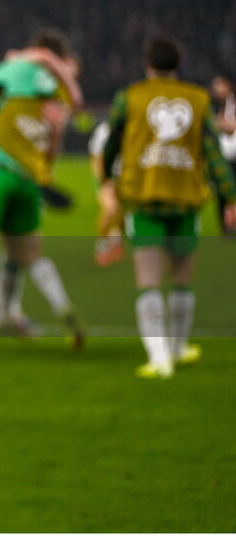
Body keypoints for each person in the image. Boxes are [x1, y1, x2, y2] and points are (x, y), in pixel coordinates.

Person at [100, 38, 236, 379]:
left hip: (144, 197)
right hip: (186, 200)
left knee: (148, 280)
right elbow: (214, 153)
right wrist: (230, 196)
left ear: (148, 63)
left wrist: (106, 176)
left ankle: (160, 360)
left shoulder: (129, 98)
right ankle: (178, 349)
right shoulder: (199, 99)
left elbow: (112, 141)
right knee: (182, 279)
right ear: (180, 63)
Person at [0, 31, 85, 360]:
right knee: (29, 254)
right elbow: (53, 144)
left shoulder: (21, 71)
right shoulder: (55, 96)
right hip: (27, 179)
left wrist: (15, 60)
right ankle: (63, 311)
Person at [88, 120, 125, 266]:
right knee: (110, 210)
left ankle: (115, 239)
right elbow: (96, 156)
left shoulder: (135, 126)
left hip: (126, 179)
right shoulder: (104, 129)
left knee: (125, 214)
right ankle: (102, 246)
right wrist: (103, 179)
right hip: (107, 178)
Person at [210, 75, 236, 235]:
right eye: (215, 86)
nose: (217, 89)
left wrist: (214, 122)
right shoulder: (217, 105)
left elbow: (231, 127)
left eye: (220, 85)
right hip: (223, 155)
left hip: (234, 155)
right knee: (222, 192)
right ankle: (226, 228)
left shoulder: (233, 104)